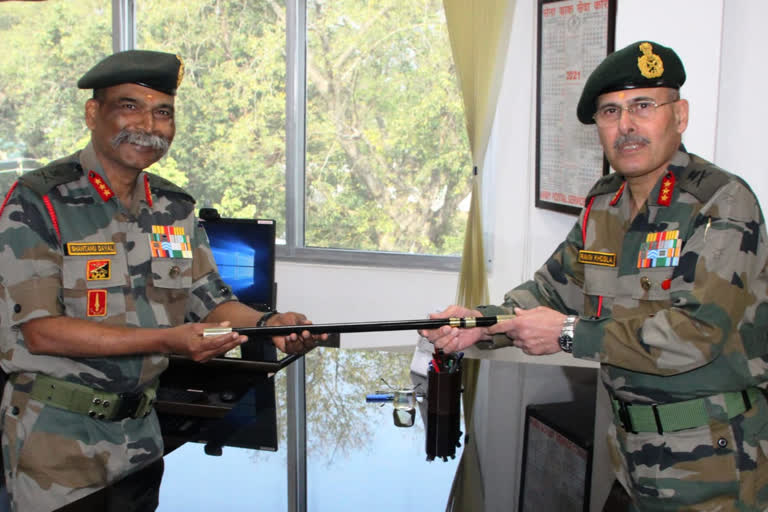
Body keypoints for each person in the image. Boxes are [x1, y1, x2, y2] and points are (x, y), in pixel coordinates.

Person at [421, 40, 768, 511]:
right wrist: (478, 325)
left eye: (643, 106)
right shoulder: (604, 204)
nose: (626, 126)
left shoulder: (722, 203)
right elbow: (549, 291)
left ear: (679, 116)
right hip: (630, 457)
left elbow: (696, 332)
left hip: (717, 461)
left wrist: (566, 335)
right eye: (609, 112)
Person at [0, 50, 325, 512]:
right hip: (54, 441)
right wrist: (171, 340)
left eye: (163, 112)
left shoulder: (173, 209)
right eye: (129, 106)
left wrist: (271, 324)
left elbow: (208, 299)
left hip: (141, 437)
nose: (149, 126)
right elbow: (41, 330)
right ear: (94, 113)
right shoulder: (38, 201)